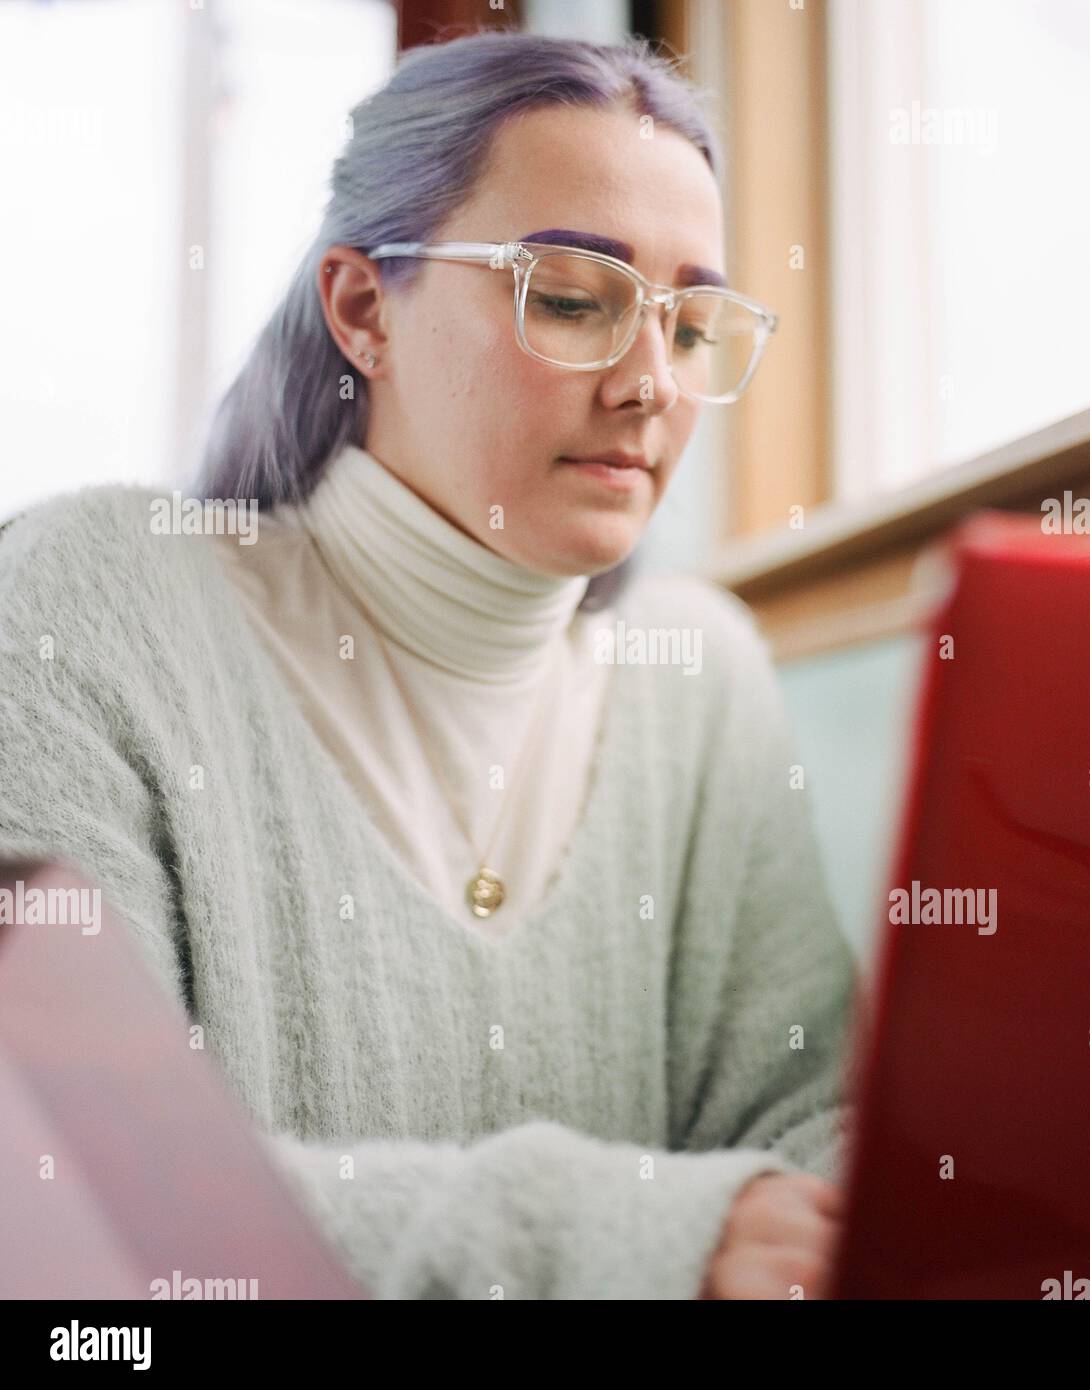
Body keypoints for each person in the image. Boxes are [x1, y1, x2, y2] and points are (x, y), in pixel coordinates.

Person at [0, 29, 858, 1300]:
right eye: (573, 296)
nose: (648, 385)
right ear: (362, 310)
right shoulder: (95, 602)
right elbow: (61, 1185)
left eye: (688, 326)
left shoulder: (699, 678)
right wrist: (633, 1239)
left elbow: (816, 1129)